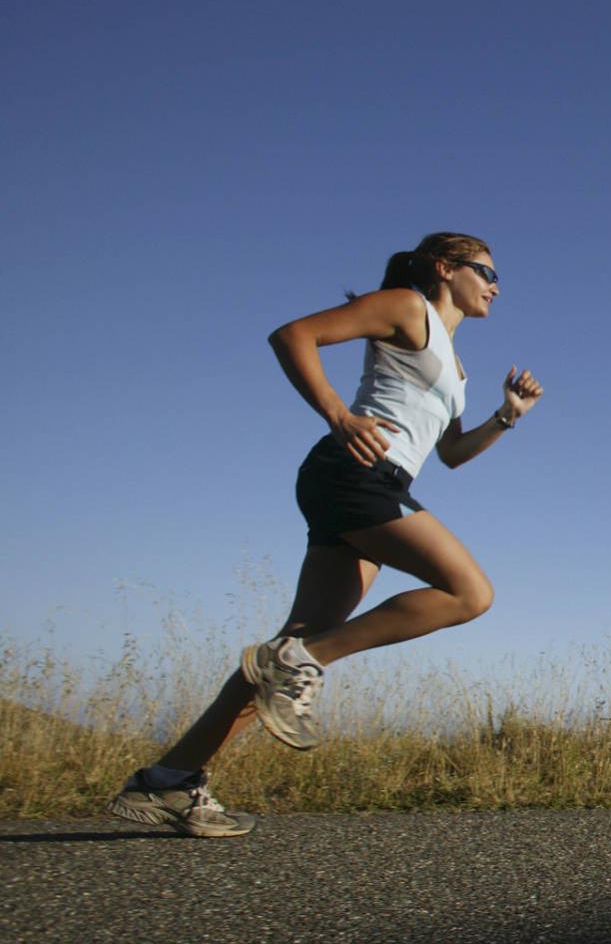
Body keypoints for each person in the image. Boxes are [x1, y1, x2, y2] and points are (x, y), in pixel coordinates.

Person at [109, 232, 543, 837]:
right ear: (445, 268)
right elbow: (293, 335)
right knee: (469, 594)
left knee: (289, 648)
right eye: (486, 272)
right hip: (355, 475)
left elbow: (450, 454)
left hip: (376, 483)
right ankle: (301, 663)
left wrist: (506, 417)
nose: (496, 286)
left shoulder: (457, 363)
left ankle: (168, 780)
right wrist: (339, 414)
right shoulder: (406, 306)